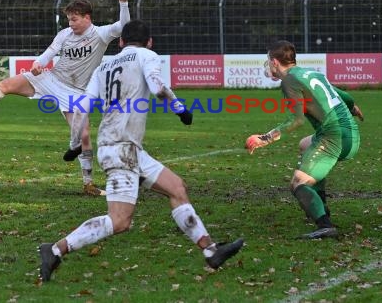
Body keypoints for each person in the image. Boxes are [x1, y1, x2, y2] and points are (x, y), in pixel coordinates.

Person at [38, 19, 244, 282]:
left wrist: (74, 144)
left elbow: (82, 107)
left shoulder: (103, 65)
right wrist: (180, 109)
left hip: (122, 147)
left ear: (121, 42)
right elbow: (158, 87)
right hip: (121, 149)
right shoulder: (147, 55)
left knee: (177, 188)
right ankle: (55, 249)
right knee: (120, 221)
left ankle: (210, 251)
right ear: (149, 42)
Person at [0, 0, 131, 196]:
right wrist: (39, 64)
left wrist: (124, 3)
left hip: (76, 92)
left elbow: (123, 26)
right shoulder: (64, 34)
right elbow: (49, 53)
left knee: (83, 136)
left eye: (74, 19)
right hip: (51, 79)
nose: (71, 23)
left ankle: (88, 184)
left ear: (87, 17)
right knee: (7, 85)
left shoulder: (101, 34)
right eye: (68, 19)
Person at [245, 40, 364, 239]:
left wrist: (265, 138)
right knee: (304, 145)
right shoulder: (311, 73)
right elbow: (343, 95)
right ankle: (320, 204)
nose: (268, 65)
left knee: (297, 183)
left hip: (333, 137)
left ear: (275, 62)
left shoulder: (289, 81)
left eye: (269, 60)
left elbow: (297, 120)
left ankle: (324, 224)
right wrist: (352, 108)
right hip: (349, 133)